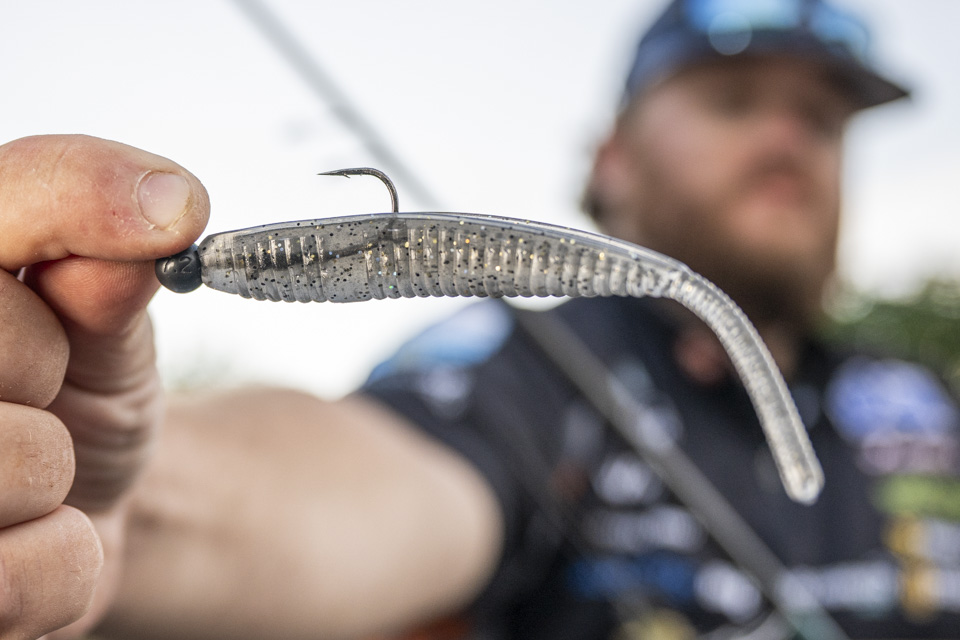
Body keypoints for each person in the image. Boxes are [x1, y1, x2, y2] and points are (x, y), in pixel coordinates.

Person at [1, 0, 958, 639]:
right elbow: (344, 487)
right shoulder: (526, 370)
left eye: (821, 121)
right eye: (734, 101)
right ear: (613, 159)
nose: (788, 138)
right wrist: (127, 509)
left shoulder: (918, 398)